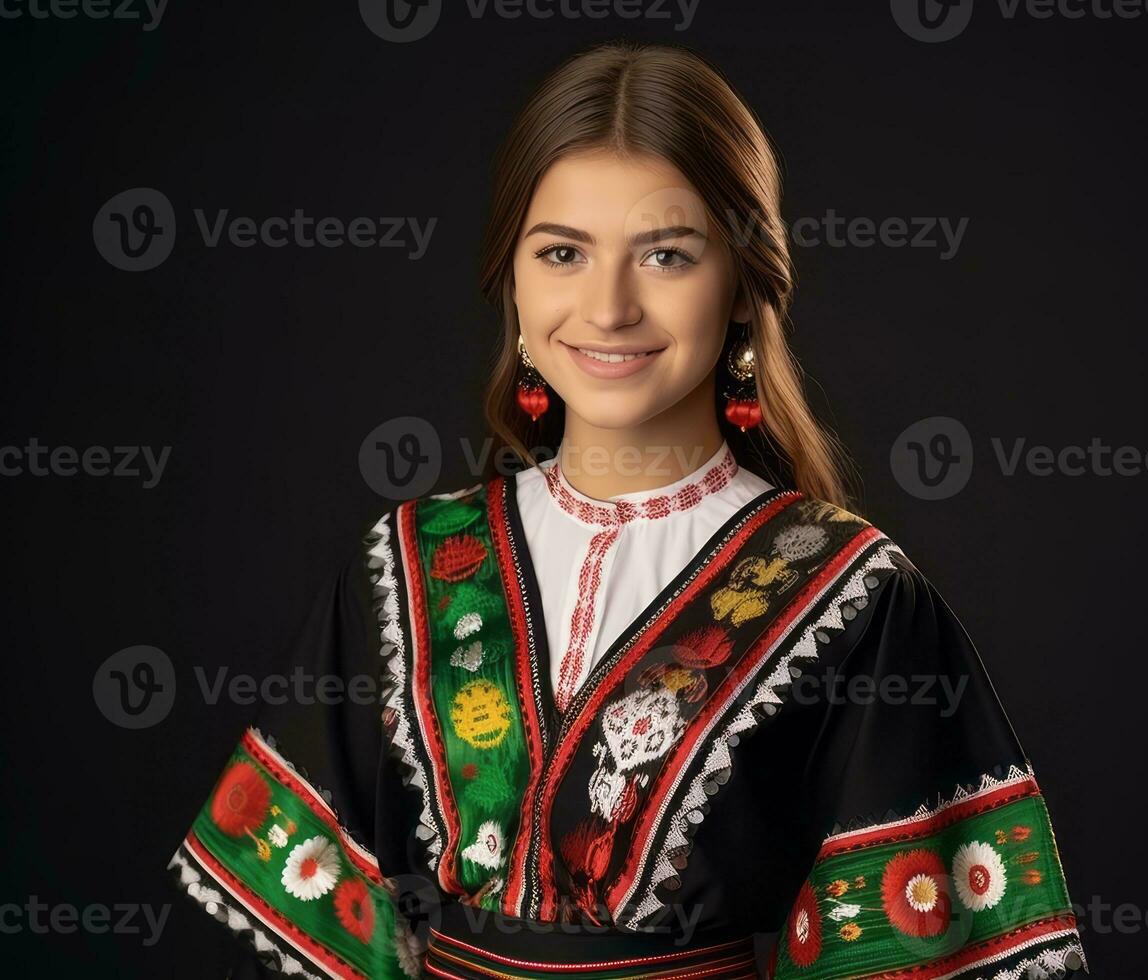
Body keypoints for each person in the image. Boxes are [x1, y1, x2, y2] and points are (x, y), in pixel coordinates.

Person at [168, 40, 1087, 980]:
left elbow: (914, 937)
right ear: (512, 279)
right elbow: (328, 911)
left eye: (665, 255)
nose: (607, 308)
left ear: (740, 285)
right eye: (562, 252)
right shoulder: (411, 559)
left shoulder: (847, 589)